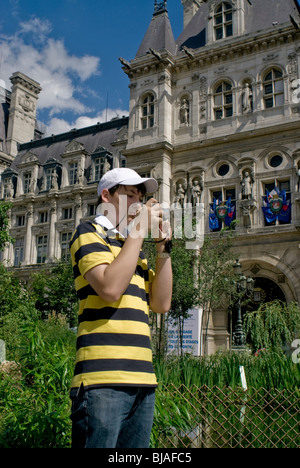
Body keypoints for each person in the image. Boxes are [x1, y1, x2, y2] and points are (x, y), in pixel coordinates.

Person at [69, 167, 173, 448]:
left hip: (142, 378)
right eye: (130, 195)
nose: (138, 205)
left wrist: (163, 247)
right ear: (106, 195)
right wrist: (140, 230)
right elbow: (110, 288)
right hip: (102, 379)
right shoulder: (89, 232)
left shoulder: (132, 249)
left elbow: (161, 304)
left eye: (141, 198)